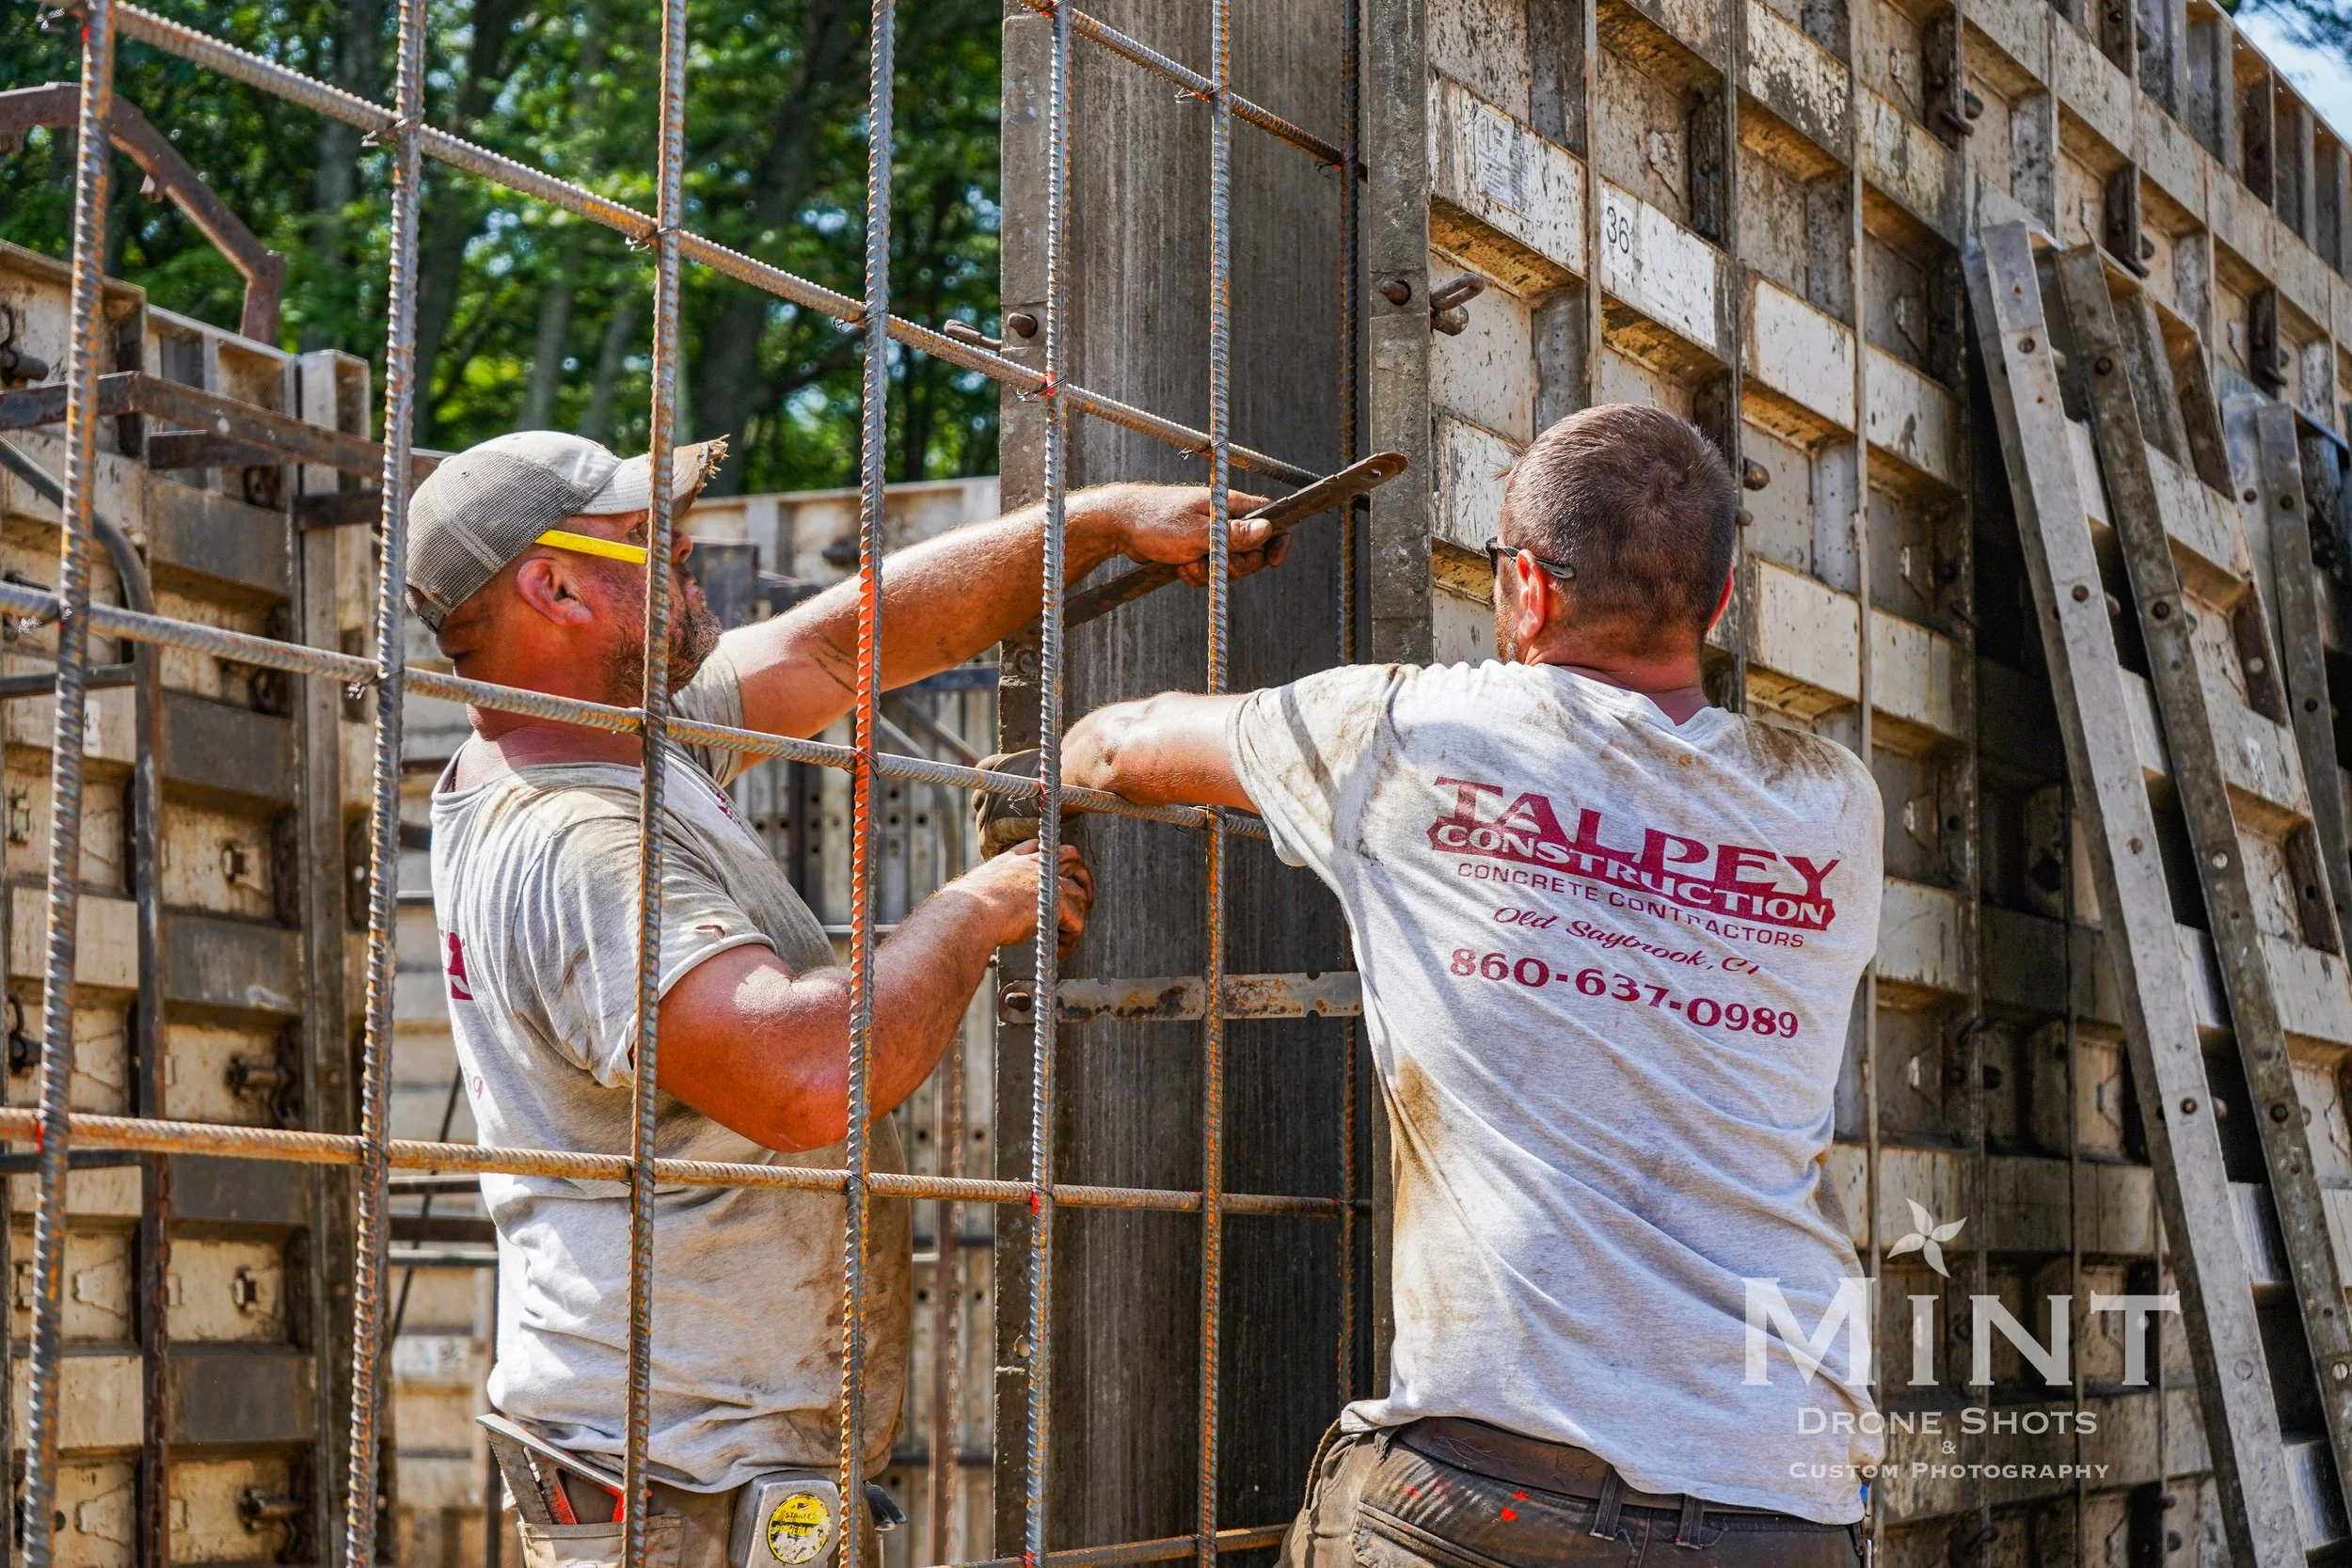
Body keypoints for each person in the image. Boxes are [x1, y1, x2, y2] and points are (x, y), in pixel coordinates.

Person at [408, 430, 1295, 1568]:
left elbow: (841, 642)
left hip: (716, 1467)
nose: (683, 546)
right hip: (679, 1482)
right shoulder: (574, 838)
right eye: (643, 533)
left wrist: (1104, 522)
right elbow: (802, 1077)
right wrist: (969, 913)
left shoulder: (619, 737)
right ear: (558, 587)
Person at [1059, 404, 1883, 1564]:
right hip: (1782, 1500)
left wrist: (1032, 787)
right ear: (1721, 598)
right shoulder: (1832, 801)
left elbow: (1118, 744)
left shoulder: (1412, 729)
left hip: (1491, 1499)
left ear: (1528, 590)